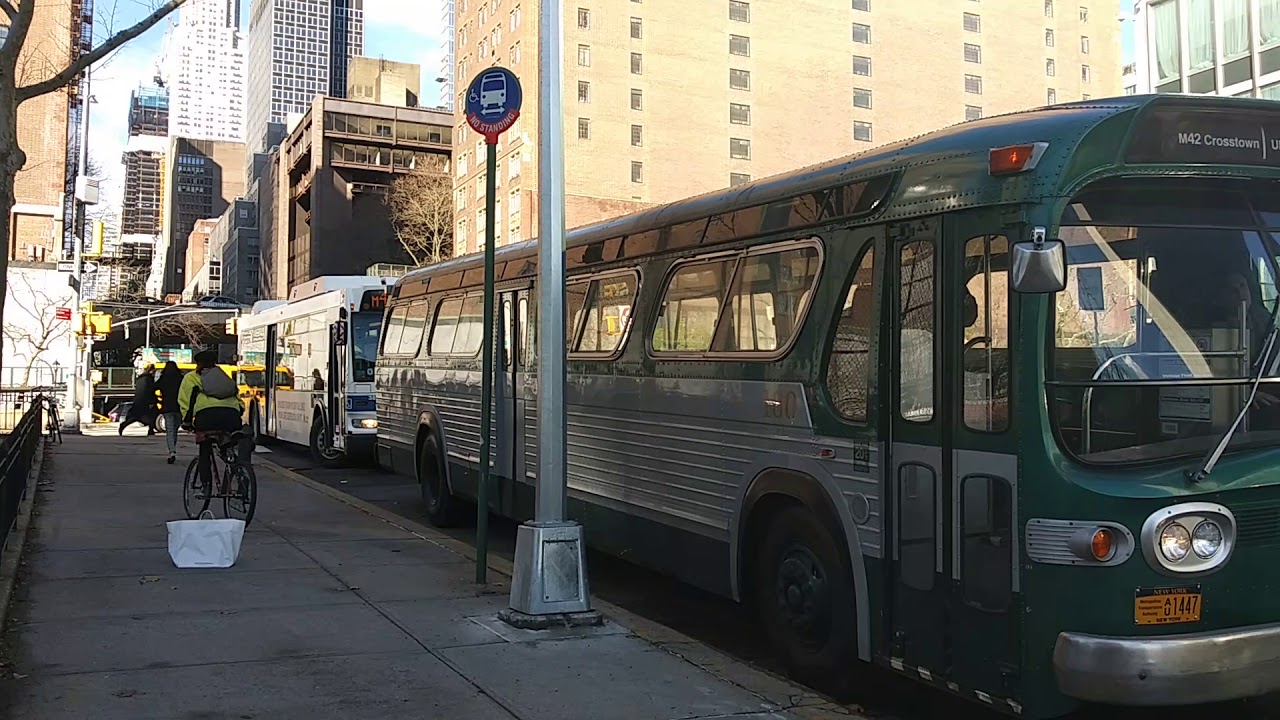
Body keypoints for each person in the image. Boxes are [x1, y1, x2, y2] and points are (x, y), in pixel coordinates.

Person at [178, 351, 245, 490]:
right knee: (227, 445)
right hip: (231, 415)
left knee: (205, 450)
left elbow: (185, 400)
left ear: (198, 364)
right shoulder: (224, 376)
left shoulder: (192, 377)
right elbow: (238, 400)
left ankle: (205, 486)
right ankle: (240, 473)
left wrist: (187, 421)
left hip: (206, 417)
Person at [155, 361, 184, 464]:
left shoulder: (163, 379)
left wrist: (158, 400)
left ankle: (172, 451)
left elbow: (154, 387)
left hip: (167, 407)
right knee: (175, 429)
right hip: (179, 408)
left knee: (170, 430)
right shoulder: (181, 379)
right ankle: (173, 448)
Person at [118, 365, 157, 435]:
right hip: (145, 400)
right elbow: (151, 390)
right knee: (149, 416)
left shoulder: (140, 378)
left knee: (135, 417)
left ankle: (123, 425)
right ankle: (150, 430)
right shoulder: (149, 379)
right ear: (152, 370)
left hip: (138, 399)